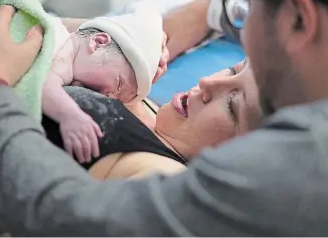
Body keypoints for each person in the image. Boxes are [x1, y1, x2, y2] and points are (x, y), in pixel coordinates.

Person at [0, 0, 328, 236]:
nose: (208, 82)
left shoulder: (162, 171)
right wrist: (211, 11)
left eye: (251, 1)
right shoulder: (161, 111)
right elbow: (115, 40)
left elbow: (57, 216)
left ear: (299, 19)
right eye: (233, 65)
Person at [42, 57, 261, 179]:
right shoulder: (153, 111)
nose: (207, 82)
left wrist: (5, 80)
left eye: (232, 106)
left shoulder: (167, 178)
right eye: (233, 70)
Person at [44, 3, 168, 164]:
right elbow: (45, 87)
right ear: (98, 42)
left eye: (117, 99)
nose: (109, 96)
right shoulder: (64, 54)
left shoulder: (76, 65)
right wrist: (70, 116)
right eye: (118, 84)